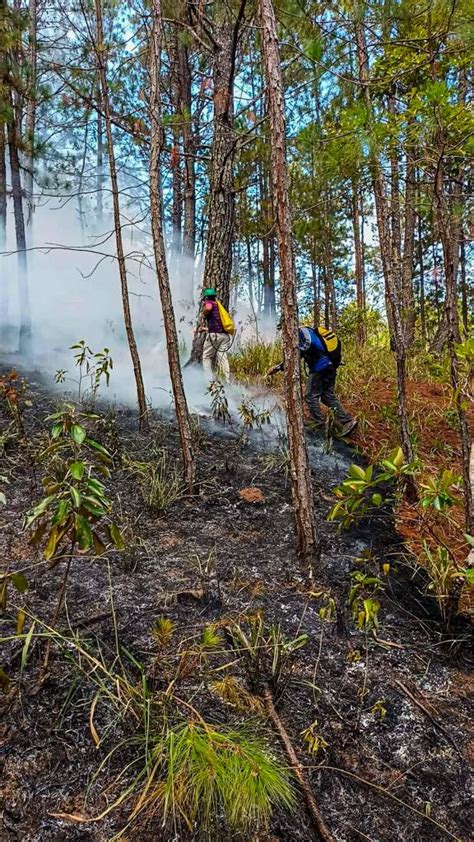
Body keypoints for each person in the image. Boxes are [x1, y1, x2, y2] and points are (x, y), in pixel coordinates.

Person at [266, 323, 358, 436]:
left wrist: (278, 367)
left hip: (320, 367)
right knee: (327, 396)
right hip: (331, 366)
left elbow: (296, 354)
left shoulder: (300, 333)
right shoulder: (310, 332)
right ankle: (347, 421)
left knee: (310, 396)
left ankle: (319, 426)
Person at [200, 288, 231, 382]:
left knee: (206, 357)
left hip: (214, 336)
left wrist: (204, 311)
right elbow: (218, 325)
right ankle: (227, 380)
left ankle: (209, 382)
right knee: (222, 358)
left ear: (206, 297)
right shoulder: (219, 306)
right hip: (224, 336)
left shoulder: (209, 303)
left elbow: (208, 308)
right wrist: (205, 329)